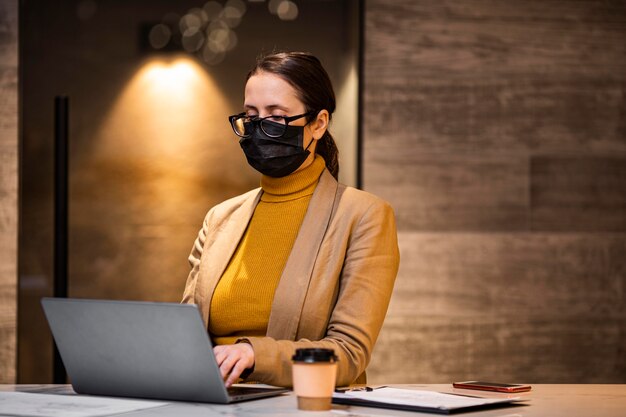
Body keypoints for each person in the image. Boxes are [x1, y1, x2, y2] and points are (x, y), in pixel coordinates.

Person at [182, 51, 399, 388]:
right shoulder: (220, 218)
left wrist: (255, 355)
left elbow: (349, 353)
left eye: (276, 116)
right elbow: (185, 335)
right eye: (251, 115)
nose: (258, 128)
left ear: (319, 123)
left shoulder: (364, 216)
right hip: (215, 401)